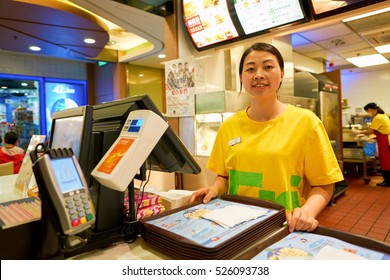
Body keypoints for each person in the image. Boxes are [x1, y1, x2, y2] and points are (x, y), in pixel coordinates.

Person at [189, 42, 344, 232]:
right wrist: (215, 189)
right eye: (250, 69)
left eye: (268, 67)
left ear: (281, 74)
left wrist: (307, 212)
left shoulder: (306, 122)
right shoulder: (229, 126)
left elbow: (324, 184)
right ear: (241, 77)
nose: (259, 74)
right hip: (236, 225)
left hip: (285, 227)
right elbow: (224, 175)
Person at [355, 103, 390, 186]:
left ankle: (388, 181)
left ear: (370, 109)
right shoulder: (383, 115)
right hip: (385, 139)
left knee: (385, 161)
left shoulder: (378, 117)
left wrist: (358, 132)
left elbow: (370, 131)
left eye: (368, 111)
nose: (369, 113)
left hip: (384, 140)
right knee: (387, 160)